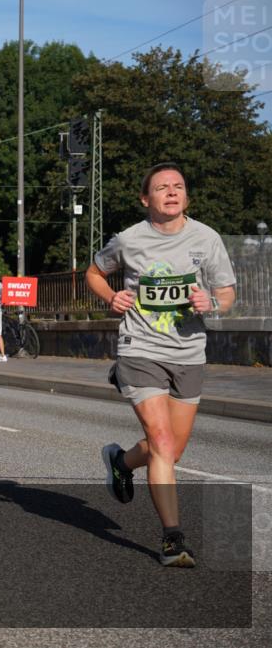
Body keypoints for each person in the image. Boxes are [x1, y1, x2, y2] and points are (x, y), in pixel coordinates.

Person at [87, 163, 236, 567]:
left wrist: (213, 304)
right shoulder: (129, 240)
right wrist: (110, 297)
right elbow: (95, 272)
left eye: (178, 187)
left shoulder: (207, 239)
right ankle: (173, 538)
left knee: (170, 451)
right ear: (145, 199)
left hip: (189, 352)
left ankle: (121, 461)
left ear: (186, 196)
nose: (171, 192)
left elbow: (226, 291)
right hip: (140, 348)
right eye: (161, 188)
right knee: (163, 442)